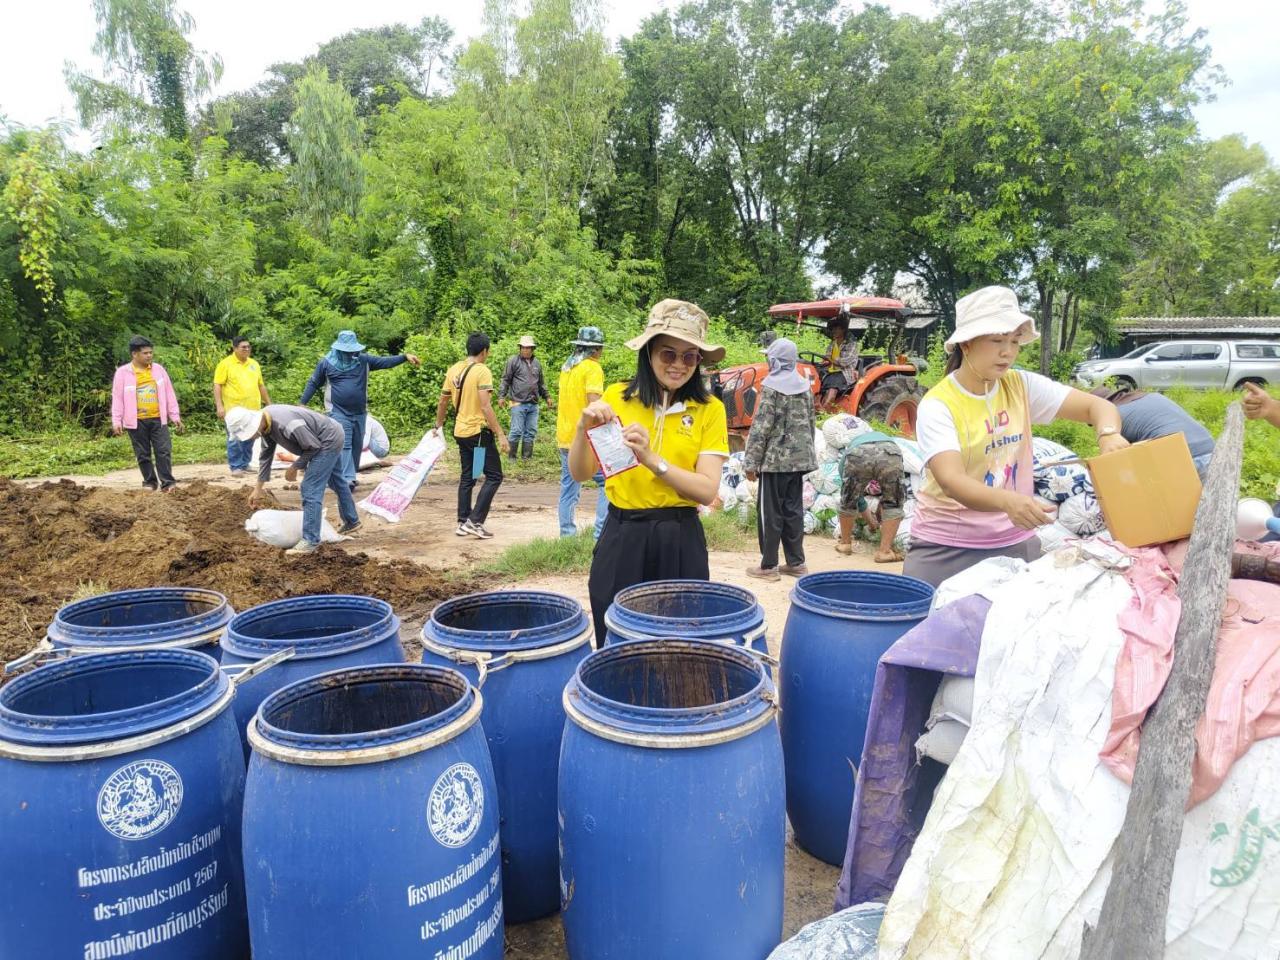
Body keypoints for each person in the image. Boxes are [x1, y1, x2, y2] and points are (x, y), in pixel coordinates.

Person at [903, 286, 1129, 588]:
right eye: (997, 341)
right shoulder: (939, 404)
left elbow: (1096, 407)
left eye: (1014, 341)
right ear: (966, 344)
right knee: (923, 617)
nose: (1007, 351)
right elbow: (951, 481)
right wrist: (1008, 502)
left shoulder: (1020, 386)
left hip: (1013, 542)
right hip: (945, 546)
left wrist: (1108, 434)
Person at [570, 300, 730, 644]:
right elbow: (581, 473)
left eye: (690, 357)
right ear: (648, 352)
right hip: (623, 534)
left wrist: (651, 459)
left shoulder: (709, 410)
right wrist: (582, 429)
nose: (678, 365)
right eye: (668, 354)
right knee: (616, 636)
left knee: (678, 641)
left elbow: (706, 490)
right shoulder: (616, 398)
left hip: (680, 538)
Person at [228, 403, 361, 555]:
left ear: (255, 424)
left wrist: (295, 467)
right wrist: (258, 489)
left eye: (250, 433)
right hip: (328, 434)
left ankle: (310, 540)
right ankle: (352, 521)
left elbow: (313, 446)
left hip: (328, 440)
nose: (251, 437)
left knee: (310, 488)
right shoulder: (266, 423)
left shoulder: (288, 424)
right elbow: (266, 457)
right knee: (336, 481)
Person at [300, 330, 420, 489]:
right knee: (345, 443)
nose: (350, 354)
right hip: (337, 411)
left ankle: (344, 476)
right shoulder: (326, 363)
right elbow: (314, 382)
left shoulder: (363, 360)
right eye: (346, 351)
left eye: (352, 351)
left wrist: (404, 357)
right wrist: (302, 403)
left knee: (356, 446)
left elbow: (385, 362)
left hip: (359, 412)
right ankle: (347, 480)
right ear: (339, 349)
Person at [742, 338, 817, 581]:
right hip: (798, 462)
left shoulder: (772, 389)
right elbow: (811, 424)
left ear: (775, 361)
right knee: (793, 511)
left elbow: (760, 428)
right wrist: (806, 456)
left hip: (774, 463)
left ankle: (768, 566)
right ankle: (796, 563)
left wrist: (751, 463)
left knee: (770, 513)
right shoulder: (805, 387)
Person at [435, 332, 510, 540]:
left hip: (461, 433)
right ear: (484, 351)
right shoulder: (482, 371)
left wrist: (438, 425)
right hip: (478, 434)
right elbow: (485, 406)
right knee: (494, 476)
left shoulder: (454, 369)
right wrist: (501, 434)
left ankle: (463, 521)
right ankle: (475, 521)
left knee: (470, 475)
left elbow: (443, 401)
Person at [1090, 385, 1215, 479]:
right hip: (1212, 450)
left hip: (1186, 459)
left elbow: (1120, 463)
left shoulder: (1115, 418)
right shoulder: (1153, 396)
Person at [556, 327, 610, 539]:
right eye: (600, 348)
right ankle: (600, 533)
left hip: (565, 436)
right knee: (607, 480)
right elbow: (594, 404)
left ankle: (567, 535)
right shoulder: (592, 368)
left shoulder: (568, 367)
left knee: (569, 487)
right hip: (585, 438)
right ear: (595, 349)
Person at [111, 336, 183, 491]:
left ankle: (168, 483)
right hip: (136, 421)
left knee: (163, 451)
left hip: (158, 418)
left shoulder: (159, 370)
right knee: (143, 454)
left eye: (151, 352)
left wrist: (174, 415)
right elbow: (117, 398)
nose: (149, 355)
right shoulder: (123, 373)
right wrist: (116, 421)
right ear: (134, 354)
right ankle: (150, 482)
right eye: (145, 353)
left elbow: (169, 393)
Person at [836, 428, 907, 563]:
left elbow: (855, 499)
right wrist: (873, 522)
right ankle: (885, 552)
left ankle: (845, 544)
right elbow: (889, 496)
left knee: (848, 500)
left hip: (858, 453)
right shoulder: (886, 438)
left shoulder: (850, 450)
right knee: (893, 502)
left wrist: (871, 523)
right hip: (890, 452)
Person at [213, 335, 271, 476]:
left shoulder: (254, 364)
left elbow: (261, 385)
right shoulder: (225, 364)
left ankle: (245, 464)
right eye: (243, 347)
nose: (247, 349)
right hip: (234, 410)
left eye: (248, 347)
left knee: (251, 435)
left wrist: (269, 404)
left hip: (253, 408)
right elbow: (217, 385)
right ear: (234, 348)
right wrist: (219, 406)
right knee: (235, 437)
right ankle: (236, 466)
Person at [499, 334, 554, 460]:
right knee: (516, 430)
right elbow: (505, 380)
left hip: (533, 403)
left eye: (528, 347)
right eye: (523, 347)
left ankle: (526, 458)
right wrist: (502, 396)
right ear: (520, 348)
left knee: (531, 431)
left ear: (532, 349)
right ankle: (511, 458)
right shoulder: (513, 361)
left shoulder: (537, 363)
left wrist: (547, 396)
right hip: (517, 402)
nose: (525, 350)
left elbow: (541, 383)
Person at [819, 315, 860, 409]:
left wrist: (830, 360)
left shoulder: (851, 344)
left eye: (837, 329)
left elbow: (844, 362)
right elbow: (827, 357)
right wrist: (825, 361)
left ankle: (824, 410)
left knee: (833, 384)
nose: (834, 331)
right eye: (833, 329)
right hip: (829, 371)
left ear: (843, 330)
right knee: (814, 376)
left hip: (844, 373)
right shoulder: (832, 344)